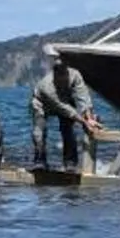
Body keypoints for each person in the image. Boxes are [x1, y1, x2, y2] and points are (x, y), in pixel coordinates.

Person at [28, 46, 97, 175]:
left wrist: (89, 117)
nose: (62, 77)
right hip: (42, 103)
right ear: (54, 74)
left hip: (64, 100)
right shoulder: (46, 86)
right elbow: (64, 108)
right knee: (39, 131)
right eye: (59, 75)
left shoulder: (75, 75)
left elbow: (83, 96)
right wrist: (84, 122)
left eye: (64, 73)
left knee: (68, 129)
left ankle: (70, 163)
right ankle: (40, 160)